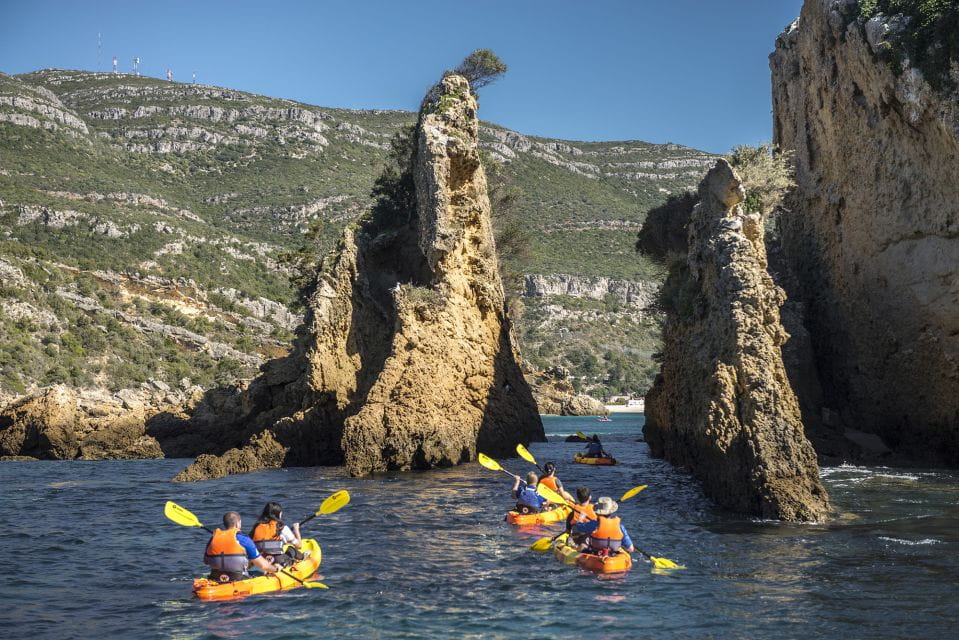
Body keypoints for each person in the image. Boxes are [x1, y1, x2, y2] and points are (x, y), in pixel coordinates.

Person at [204, 511, 283, 583]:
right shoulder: (244, 539)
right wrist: (275, 569)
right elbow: (263, 565)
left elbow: (206, 561)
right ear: (238, 524)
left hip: (215, 578)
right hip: (239, 579)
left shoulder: (213, 539)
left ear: (225, 524)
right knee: (260, 572)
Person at [249, 501, 304, 567]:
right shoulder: (282, 528)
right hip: (278, 561)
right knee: (292, 549)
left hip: (259, 561)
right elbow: (299, 546)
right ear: (279, 514)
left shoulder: (256, 527)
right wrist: (296, 530)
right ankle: (303, 558)